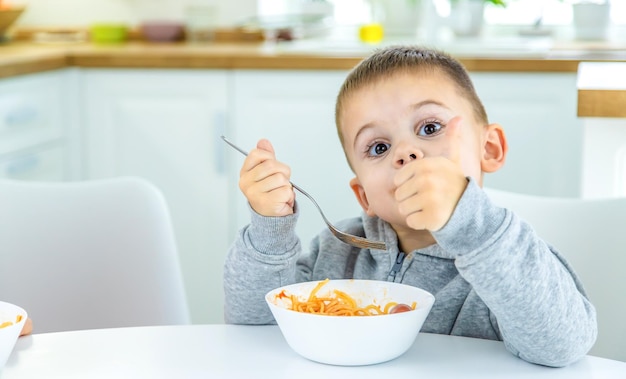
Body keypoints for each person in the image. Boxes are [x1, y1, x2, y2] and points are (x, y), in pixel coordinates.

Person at [223, 45, 597, 367]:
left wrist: (469, 223)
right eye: (379, 148)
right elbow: (256, 327)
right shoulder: (337, 253)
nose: (405, 152)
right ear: (364, 196)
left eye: (430, 128)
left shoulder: (506, 260)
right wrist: (270, 228)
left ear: (489, 148)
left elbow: (563, 345)